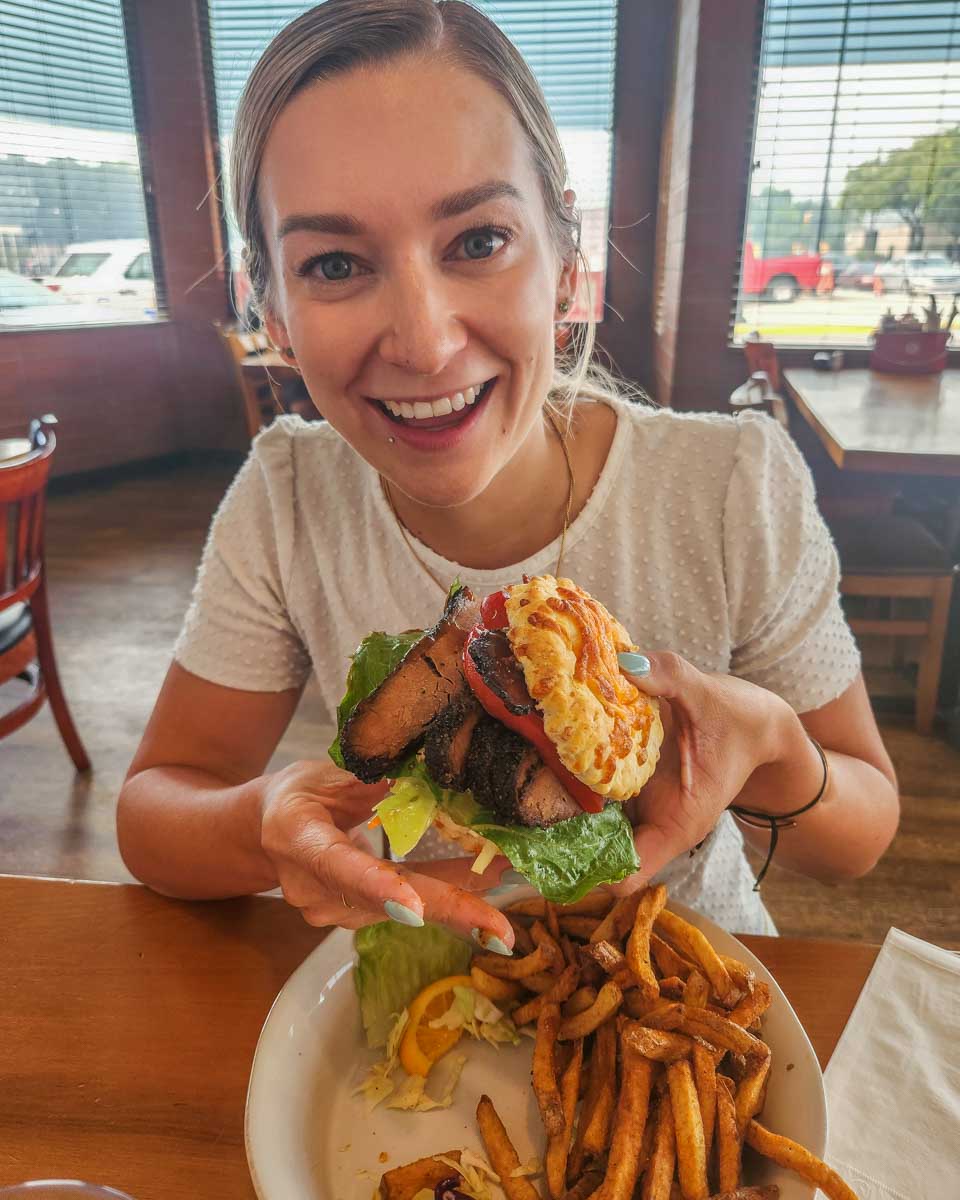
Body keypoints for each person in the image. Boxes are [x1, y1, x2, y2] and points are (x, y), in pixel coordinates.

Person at [117, 0, 899, 953]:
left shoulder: (733, 483)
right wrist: (261, 823)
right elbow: (153, 813)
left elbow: (861, 834)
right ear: (271, 309)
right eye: (333, 262)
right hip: (419, 998)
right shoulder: (285, 495)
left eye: (478, 242)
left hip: (683, 969)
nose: (424, 340)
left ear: (569, 262)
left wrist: (773, 746)